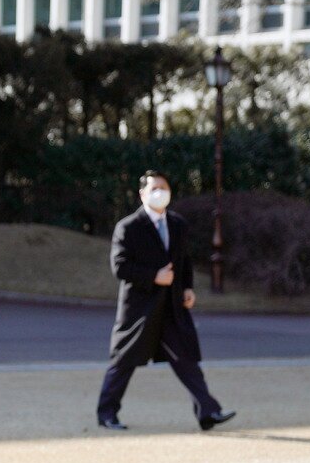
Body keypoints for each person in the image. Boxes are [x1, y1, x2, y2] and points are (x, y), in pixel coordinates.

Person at [96, 170, 235, 432]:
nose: (160, 192)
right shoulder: (128, 227)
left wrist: (187, 288)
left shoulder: (178, 224)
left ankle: (209, 411)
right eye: (154, 188)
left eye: (164, 187)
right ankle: (107, 414)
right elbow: (120, 267)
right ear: (142, 194)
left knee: (186, 361)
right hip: (139, 309)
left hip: (172, 307)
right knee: (124, 361)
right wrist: (153, 277)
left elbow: (184, 262)